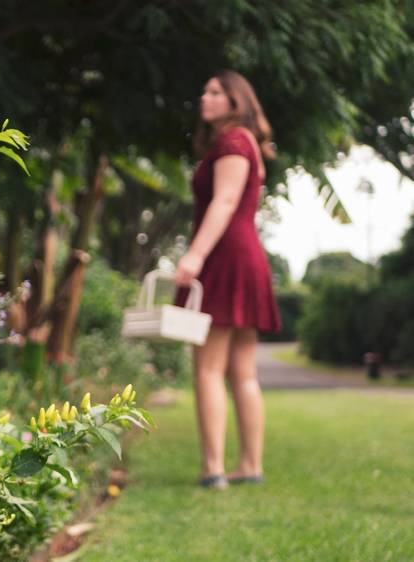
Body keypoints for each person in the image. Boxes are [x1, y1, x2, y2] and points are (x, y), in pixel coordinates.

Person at [174, 70, 282, 490]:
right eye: (205, 89)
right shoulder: (243, 142)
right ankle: (248, 466)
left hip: (227, 257)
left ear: (236, 100)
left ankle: (214, 468)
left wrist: (196, 254)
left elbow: (227, 201)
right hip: (242, 256)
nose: (205, 96)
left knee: (209, 367)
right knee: (241, 371)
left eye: (215, 91)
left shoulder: (234, 141)